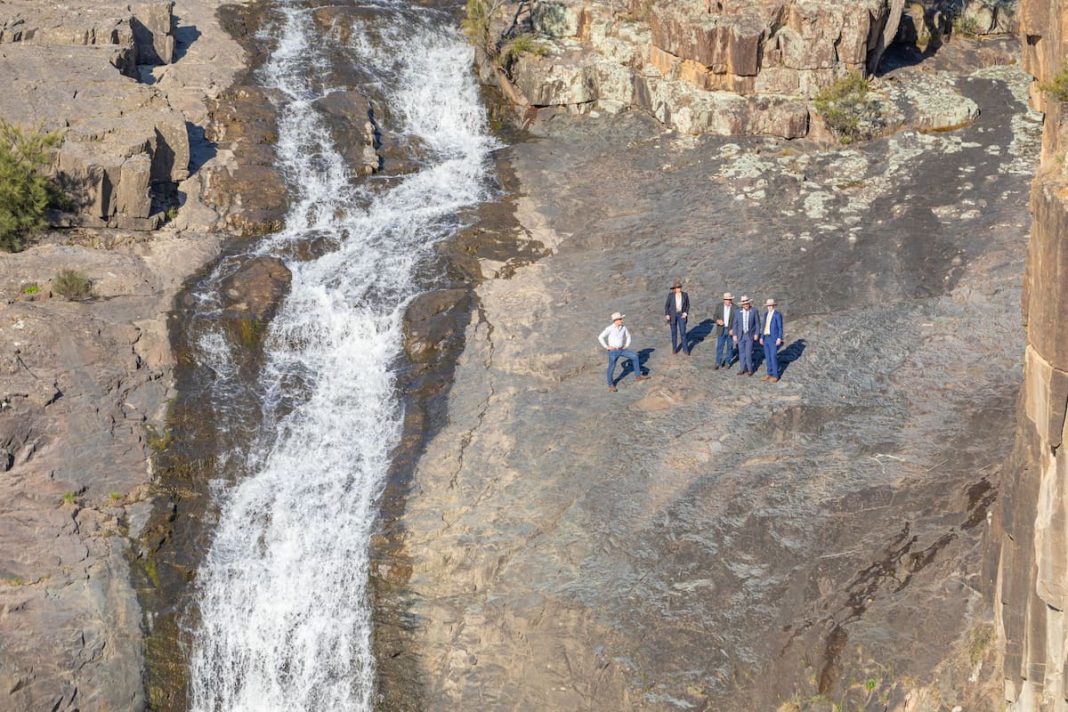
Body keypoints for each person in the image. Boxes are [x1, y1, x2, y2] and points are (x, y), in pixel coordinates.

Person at [599, 312, 650, 392]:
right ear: (616, 320)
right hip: (613, 352)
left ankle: (638, 376)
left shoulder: (623, 327)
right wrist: (607, 347)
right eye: (620, 319)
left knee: (635, 356)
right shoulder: (609, 328)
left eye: (621, 319)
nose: (622, 320)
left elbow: (628, 336)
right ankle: (611, 385)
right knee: (611, 367)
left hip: (622, 349)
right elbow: (600, 337)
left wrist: (626, 345)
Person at [732, 296, 760, 376]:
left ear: (749, 303)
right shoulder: (737, 312)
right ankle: (742, 368)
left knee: (748, 353)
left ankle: (750, 369)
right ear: (742, 305)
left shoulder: (754, 311)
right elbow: (735, 324)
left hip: (749, 335)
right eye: (744, 304)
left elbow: (757, 323)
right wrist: (734, 334)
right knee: (741, 353)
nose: (746, 305)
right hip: (740, 335)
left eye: (747, 303)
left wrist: (756, 333)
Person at [663, 280, 691, 356]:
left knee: (683, 333)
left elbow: (688, 305)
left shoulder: (685, 295)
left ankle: (686, 350)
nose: (678, 289)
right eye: (677, 287)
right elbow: (666, 306)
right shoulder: (670, 295)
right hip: (672, 315)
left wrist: (685, 313)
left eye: (679, 287)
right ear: (674, 288)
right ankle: (674, 349)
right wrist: (667, 315)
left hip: (681, 315)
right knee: (673, 333)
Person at [760, 297, 784, 383]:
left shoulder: (777, 314)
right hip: (766, 337)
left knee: (773, 356)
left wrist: (779, 338)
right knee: (767, 357)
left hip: (773, 338)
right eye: (768, 305)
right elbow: (763, 326)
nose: (769, 307)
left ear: (773, 306)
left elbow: (780, 327)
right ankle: (769, 373)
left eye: (771, 305)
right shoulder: (766, 314)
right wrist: (761, 337)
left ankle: (775, 375)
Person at [712, 292, 735, 369]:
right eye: (726, 299)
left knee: (730, 346)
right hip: (721, 329)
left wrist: (733, 329)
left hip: (730, 330)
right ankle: (718, 362)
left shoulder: (736, 308)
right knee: (719, 346)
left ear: (731, 299)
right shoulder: (719, 306)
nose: (728, 301)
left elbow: (737, 321)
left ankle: (727, 362)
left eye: (729, 299)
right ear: (724, 300)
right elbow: (715, 316)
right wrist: (717, 321)